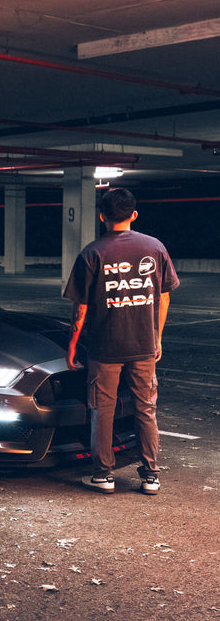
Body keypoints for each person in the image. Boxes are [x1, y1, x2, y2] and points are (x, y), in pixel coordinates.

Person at [64, 186, 179, 495]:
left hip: (104, 348)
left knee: (103, 411)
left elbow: (81, 307)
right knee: (146, 409)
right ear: (134, 215)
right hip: (144, 346)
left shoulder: (92, 252)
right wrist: (157, 337)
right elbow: (163, 297)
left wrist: (73, 346)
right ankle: (151, 476)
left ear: (102, 217)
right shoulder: (155, 247)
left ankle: (103, 475)